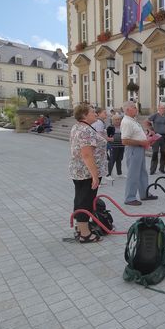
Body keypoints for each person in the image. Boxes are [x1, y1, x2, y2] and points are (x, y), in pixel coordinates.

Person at [69, 103, 108, 243]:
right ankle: (85, 234)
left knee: (80, 199)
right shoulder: (86, 130)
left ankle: (80, 229)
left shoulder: (77, 127)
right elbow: (87, 154)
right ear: (84, 115)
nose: (95, 114)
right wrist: (94, 175)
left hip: (78, 171)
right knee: (85, 201)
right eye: (92, 112)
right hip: (86, 173)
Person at [120, 101, 158, 206]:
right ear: (127, 110)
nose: (136, 109)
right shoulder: (127, 122)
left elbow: (135, 135)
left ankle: (144, 193)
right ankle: (130, 197)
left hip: (139, 148)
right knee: (133, 174)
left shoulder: (132, 120)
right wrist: (142, 142)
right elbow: (125, 140)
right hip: (133, 149)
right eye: (134, 107)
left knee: (142, 172)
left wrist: (147, 135)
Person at [148, 103, 165, 175]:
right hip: (156, 136)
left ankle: (162, 168)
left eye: (164, 108)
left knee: (163, 153)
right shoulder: (155, 115)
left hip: (164, 136)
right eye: (161, 108)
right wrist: (151, 130)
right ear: (158, 108)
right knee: (155, 153)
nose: (163, 109)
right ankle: (152, 169)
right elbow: (146, 121)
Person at [106, 115, 125, 179]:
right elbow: (107, 137)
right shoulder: (110, 127)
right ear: (113, 120)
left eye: (119, 119)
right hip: (113, 146)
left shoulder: (122, 127)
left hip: (121, 145)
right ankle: (108, 174)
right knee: (112, 160)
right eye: (116, 120)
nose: (118, 121)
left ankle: (119, 173)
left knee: (119, 160)